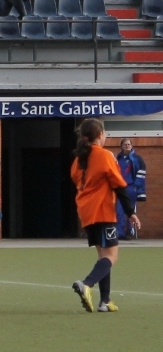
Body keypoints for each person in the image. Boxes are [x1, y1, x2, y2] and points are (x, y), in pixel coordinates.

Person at [70, 118, 140, 313]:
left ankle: (105, 301)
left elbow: (77, 179)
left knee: (102, 255)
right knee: (111, 255)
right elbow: (119, 185)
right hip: (102, 210)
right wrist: (130, 212)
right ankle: (87, 283)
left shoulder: (78, 159)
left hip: (85, 211)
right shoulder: (105, 155)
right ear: (100, 135)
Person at [115, 138, 146, 240]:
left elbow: (141, 173)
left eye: (129, 144)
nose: (127, 146)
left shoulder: (137, 159)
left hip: (131, 187)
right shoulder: (118, 159)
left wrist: (136, 186)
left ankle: (129, 231)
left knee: (130, 211)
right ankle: (120, 233)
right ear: (121, 146)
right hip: (120, 187)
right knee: (119, 211)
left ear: (132, 146)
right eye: (125, 144)